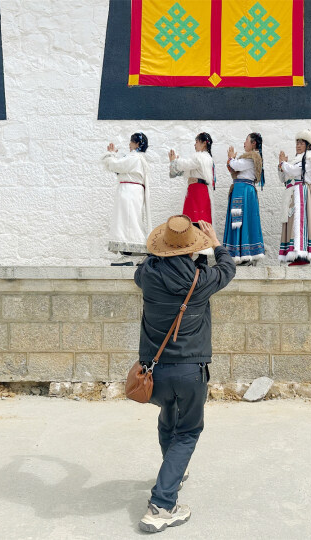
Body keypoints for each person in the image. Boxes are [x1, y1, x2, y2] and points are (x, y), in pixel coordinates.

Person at [134, 215, 236, 533]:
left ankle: (173, 474)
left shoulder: (146, 275)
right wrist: (214, 243)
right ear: (192, 249)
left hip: (155, 373)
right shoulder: (201, 281)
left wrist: (164, 249)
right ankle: (162, 505)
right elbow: (228, 268)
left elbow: (149, 262)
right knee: (188, 432)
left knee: (168, 420)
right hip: (190, 371)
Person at [101, 133, 152, 266]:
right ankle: (130, 253)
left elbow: (115, 166)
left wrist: (111, 155)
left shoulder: (135, 157)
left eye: (131, 142)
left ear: (137, 144)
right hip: (131, 192)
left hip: (129, 192)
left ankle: (133, 253)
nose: (129, 144)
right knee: (129, 221)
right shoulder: (138, 159)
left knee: (128, 222)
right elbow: (121, 169)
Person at [277, 130, 311, 266]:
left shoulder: (309, 159)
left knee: (300, 222)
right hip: (293, 193)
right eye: (297, 143)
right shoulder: (295, 161)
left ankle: (302, 254)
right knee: (292, 222)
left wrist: (283, 164)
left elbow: (295, 171)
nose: (298, 145)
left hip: (301, 193)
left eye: (301, 143)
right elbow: (285, 178)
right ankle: (295, 254)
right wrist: (281, 166)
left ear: (308, 145)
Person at [222, 133, 266, 265]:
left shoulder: (253, 157)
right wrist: (232, 161)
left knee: (243, 221)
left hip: (244, 192)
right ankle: (241, 253)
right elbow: (234, 168)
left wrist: (231, 158)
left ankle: (246, 254)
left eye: (246, 140)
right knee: (240, 221)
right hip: (241, 191)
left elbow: (236, 166)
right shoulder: (249, 158)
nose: (244, 143)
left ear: (253, 143)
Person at [168, 133, 215, 226]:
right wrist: (175, 163)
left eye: (197, 142)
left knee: (196, 220)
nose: (194, 144)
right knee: (196, 219)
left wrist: (175, 161)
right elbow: (185, 169)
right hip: (197, 191)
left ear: (204, 143)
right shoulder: (204, 158)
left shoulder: (201, 157)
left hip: (197, 192)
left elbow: (187, 164)